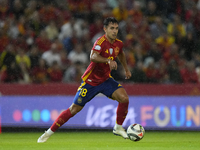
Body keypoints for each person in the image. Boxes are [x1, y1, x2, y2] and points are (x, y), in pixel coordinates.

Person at [37, 17, 132, 143]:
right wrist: (108, 60)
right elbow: (93, 57)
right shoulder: (100, 42)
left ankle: (118, 127)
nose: (114, 31)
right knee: (74, 109)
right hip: (90, 82)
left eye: (116, 28)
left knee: (124, 98)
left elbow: (121, 53)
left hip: (105, 80)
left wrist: (126, 68)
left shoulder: (118, 43)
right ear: (105, 29)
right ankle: (48, 132)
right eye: (111, 28)